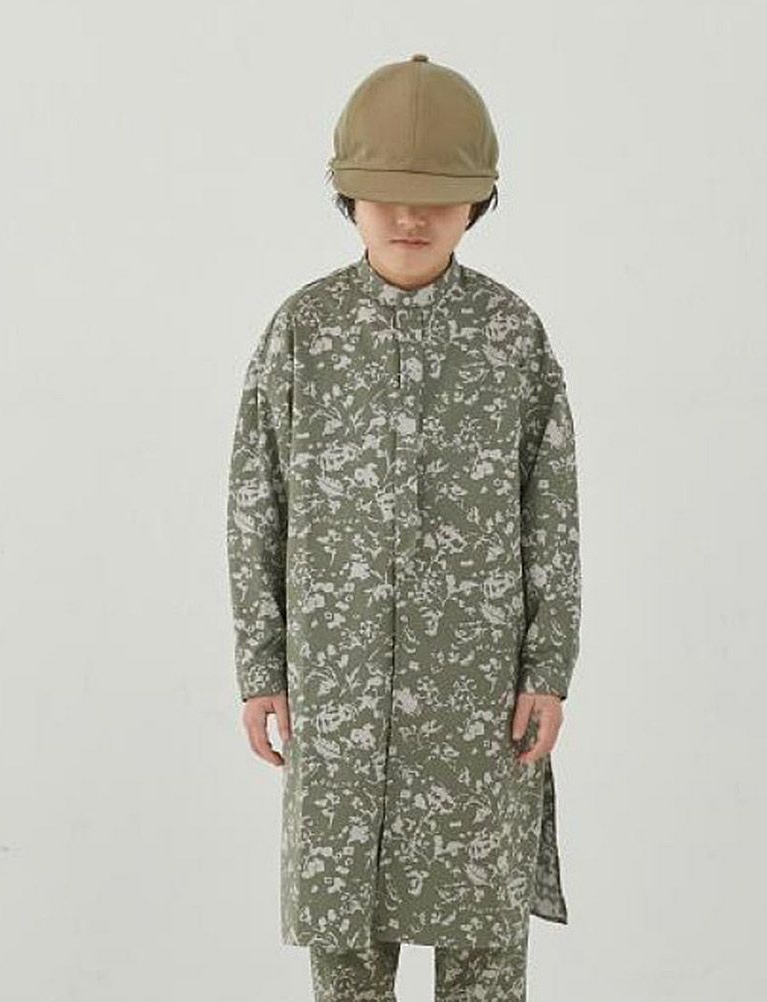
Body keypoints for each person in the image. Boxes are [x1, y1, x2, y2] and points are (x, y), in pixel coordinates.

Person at [226, 53, 582, 1002]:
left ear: (478, 202)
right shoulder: (303, 333)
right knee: (344, 946)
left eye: (436, 199)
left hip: (479, 700)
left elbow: (551, 512)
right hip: (337, 694)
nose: (411, 219)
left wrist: (548, 668)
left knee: (483, 952)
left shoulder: (512, 338)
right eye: (388, 197)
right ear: (349, 197)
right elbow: (255, 505)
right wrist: (262, 667)